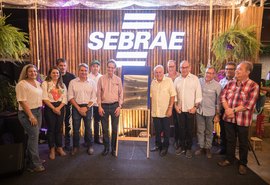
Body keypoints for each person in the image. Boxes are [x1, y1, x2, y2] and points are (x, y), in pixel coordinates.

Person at [218, 61, 259, 175]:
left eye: (239, 69)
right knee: (229, 140)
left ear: (248, 72)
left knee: (243, 142)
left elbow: (248, 104)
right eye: (237, 69)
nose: (236, 71)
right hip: (228, 118)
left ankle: (242, 163)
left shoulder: (253, 85)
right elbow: (223, 97)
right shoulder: (230, 83)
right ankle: (229, 159)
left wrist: (233, 110)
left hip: (243, 119)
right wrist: (227, 109)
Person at [16, 64, 45, 172]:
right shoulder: (22, 84)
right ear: (26, 73)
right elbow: (22, 101)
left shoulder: (38, 83)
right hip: (27, 113)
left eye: (35, 71)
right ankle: (34, 164)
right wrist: (31, 116)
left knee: (34, 137)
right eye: (30, 71)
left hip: (38, 111)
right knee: (33, 136)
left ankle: (31, 160)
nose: (33, 73)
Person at [174, 60, 202, 158]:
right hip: (180, 110)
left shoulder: (195, 79)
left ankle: (189, 148)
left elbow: (198, 95)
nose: (184, 69)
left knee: (190, 130)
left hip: (191, 110)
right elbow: (174, 95)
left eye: (186, 67)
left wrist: (195, 107)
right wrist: (176, 106)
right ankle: (182, 147)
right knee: (181, 129)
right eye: (182, 67)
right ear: (180, 69)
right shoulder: (177, 80)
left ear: (189, 68)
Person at [68, 63, 96, 156]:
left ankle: (89, 146)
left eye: (85, 70)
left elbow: (94, 97)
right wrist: (79, 108)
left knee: (88, 128)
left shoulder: (92, 82)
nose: (83, 72)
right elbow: (70, 97)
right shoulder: (73, 82)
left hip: (88, 107)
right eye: (82, 70)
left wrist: (86, 107)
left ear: (88, 71)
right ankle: (75, 147)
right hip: (76, 107)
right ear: (78, 71)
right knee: (75, 129)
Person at [97, 59, 123, 156]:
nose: (110, 69)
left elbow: (121, 94)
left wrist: (119, 106)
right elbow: (98, 94)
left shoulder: (118, 80)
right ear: (106, 68)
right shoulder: (101, 79)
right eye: (109, 67)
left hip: (115, 106)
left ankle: (114, 148)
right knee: (105, 129)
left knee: (115, 129)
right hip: (103, 106)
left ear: (115, 69)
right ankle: (106, 148)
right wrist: (99, 106)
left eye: (112, 67)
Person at [195, 66, 221, 159]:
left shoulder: (217, 85)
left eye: (211, 73)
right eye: (207, 72)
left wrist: (217, 114)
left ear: (214, 75)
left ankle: (208, 148)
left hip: (210, 112)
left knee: (209, 131)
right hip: (199, 111)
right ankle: (201, 147)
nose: (208, 75)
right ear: (204, 73)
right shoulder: (199, 81)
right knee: (200, 130)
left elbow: (218, 101)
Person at [42, 66, 67, 160]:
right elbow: (44, 97)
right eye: (53, 73)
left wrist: (59, 108)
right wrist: (53, 108)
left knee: (59, 128)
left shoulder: (62, 85)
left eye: (57, 73)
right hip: (50, 107)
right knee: (51, 129)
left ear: (59, 74)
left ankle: (59, 147)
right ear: (50, 74)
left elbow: (65, 98)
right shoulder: (45, 83)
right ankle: (52, 149)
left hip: (60, 107)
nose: (55, 74)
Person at [150, 65, 176, 157]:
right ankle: (158, 145)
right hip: (155, 111)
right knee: (157, 130)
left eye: (160, 72)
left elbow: (173, 95)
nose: (158, 74)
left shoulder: (169, 81)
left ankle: (165, 147)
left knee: (166, 131)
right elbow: (150, 96)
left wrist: (170, 108)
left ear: (163, 72)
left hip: (166, 112)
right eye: (156, 72)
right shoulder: (153, 82)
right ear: (154, 73)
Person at [56, 58, 76, 151]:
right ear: (57, 66)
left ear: (66, 66)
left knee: (67, 124)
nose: (63, 67)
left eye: (64, 65)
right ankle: (58, 144)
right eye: (61, 65)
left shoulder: (71, 76)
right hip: (56, 104)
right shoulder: (54, 76)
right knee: (57, 124)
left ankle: (67, 144)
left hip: (68, 104)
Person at [218, 61, 236, 154]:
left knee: (231, 134)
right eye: (227, 69)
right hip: (223, 110)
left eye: (231, 69)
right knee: (223, 131)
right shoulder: (222, 81)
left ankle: (230, 152)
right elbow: (219, 96)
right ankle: (223, 149)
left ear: (235, 70)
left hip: (233, 111)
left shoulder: (237, 81)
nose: (228, 71)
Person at [165, 60, 180, 148]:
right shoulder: (164, 77)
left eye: (172, 66)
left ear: (175, 66)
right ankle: (165, 141)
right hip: (166, 104)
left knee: (177, 123)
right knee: (165, 122)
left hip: (177, 103)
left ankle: (177, 140)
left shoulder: (180, 76)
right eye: (169, 66)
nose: (171, 68)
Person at [88, 60, 103, 144]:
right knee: (88, 122)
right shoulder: (87, 76)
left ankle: (97, 139)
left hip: (98, 103)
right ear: (91, 67)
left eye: (97, 66)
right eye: (93, 66)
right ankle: (88, 140)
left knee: (97, 121)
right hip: (89, 103)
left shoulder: (102, 77)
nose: (95, 68)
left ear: (99, 68)